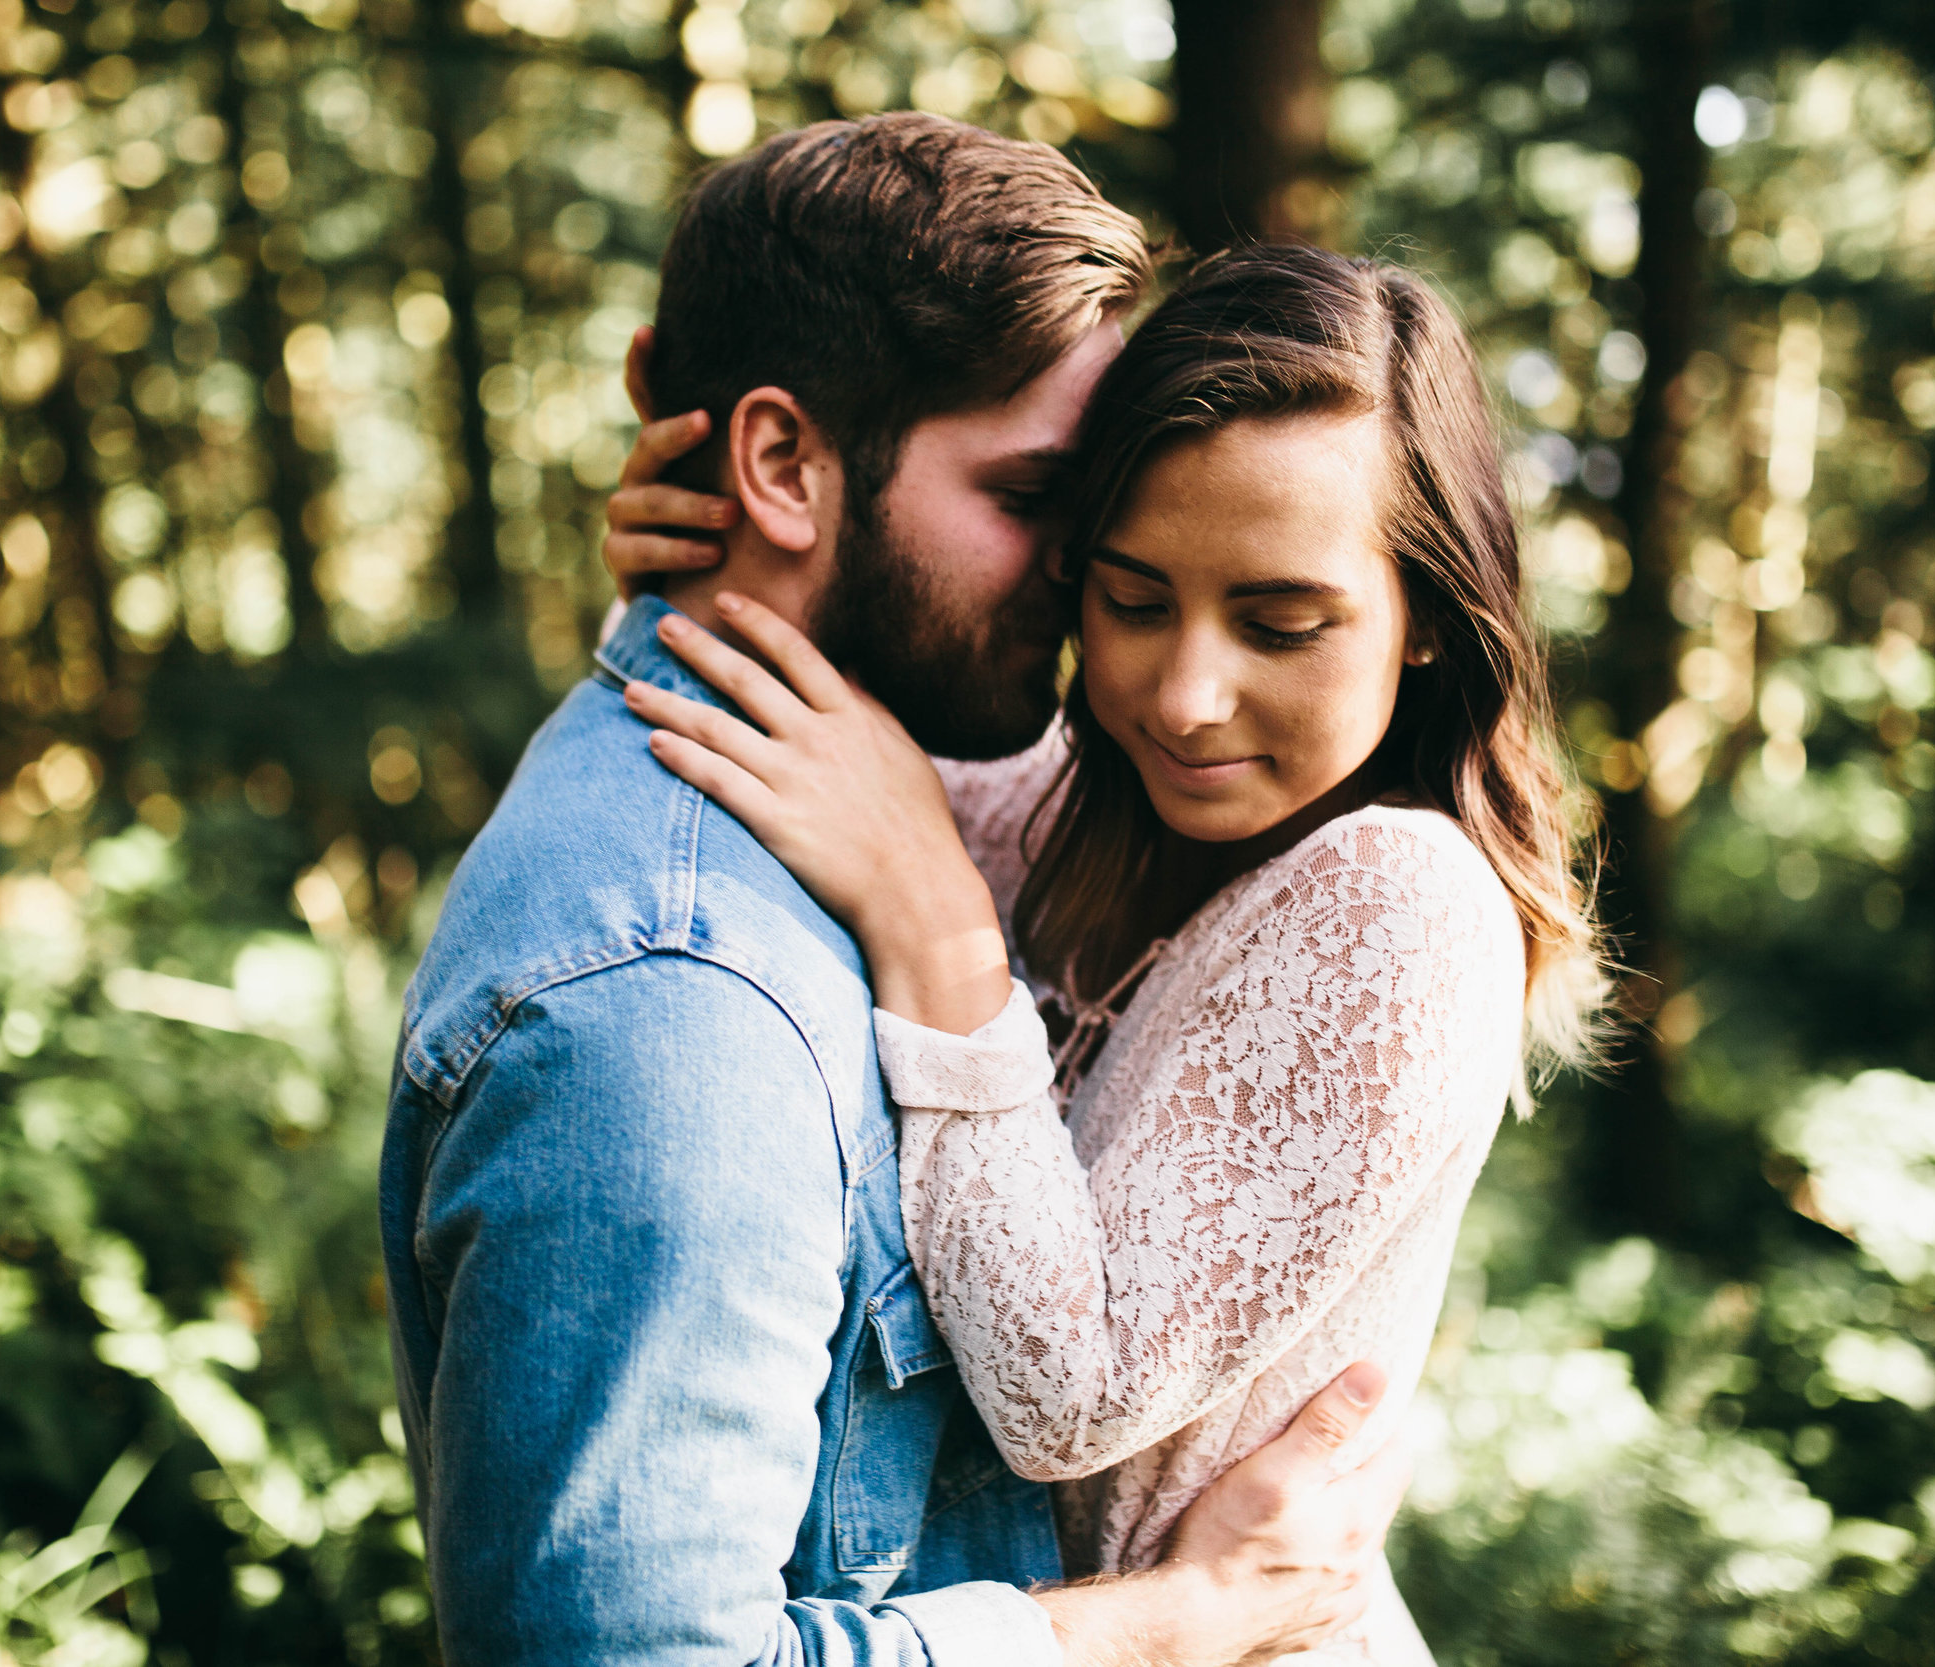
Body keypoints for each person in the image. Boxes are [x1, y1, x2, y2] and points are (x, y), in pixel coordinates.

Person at [381, 115, 1413, 1667]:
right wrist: (1161, 1625)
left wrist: (699, 581)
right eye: (1032, 501)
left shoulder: (866, 786)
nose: (1089, 571)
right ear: (784, 462)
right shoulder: (674, 1021)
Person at [608, 244, 1610, 1665]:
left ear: (1434, 622)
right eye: (1133, 601)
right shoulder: (1062, 807)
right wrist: (714, 570)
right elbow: (784, 768)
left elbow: (1067, 1399)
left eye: (1282, 623)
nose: (1188, 697)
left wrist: (939, 934)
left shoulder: (1404, 905)